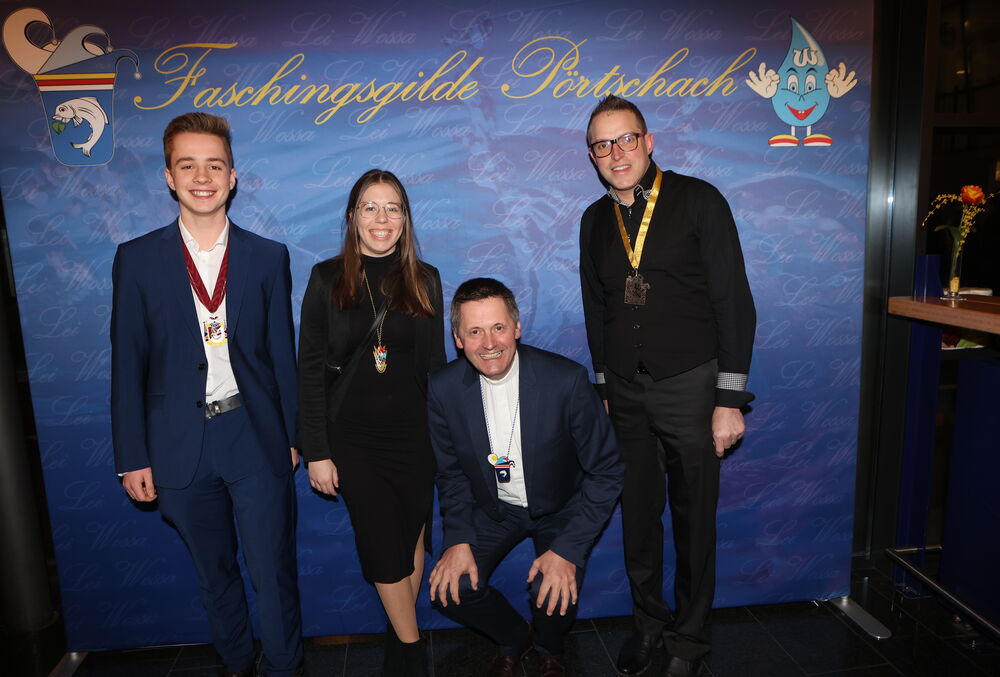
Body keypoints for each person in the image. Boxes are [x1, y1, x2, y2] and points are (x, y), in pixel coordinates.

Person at [111, 112, 302, 677]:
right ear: (169, 177)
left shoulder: (268, 257)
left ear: (232, 177)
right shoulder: (136, 259)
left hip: (255, 436)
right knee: (214, 574)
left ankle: (286, 669)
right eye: (188, 165)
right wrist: (132, 456)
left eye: (214, 165)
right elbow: (127, 365)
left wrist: (295, 436)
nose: (202, 177)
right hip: (178, 444)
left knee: (272, 572)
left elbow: (282, 357)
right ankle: (237, 665)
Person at [579, 95, 756, 677]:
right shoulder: (593, 221)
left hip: (692, 388)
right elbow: (598, 309)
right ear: (592, 156)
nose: (616, 153)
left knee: (694, 521)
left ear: (649, 141)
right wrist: (605, 388)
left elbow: (734, 303)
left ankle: (690, 640)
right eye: (602, 145)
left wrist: (728, 400)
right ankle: (649, 624)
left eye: (626, 139)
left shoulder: (700, 201)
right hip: (625, 393)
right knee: (638, 517)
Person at [427, 278, 623, 677]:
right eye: (475, 331)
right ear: (458, 339)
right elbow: (451, 474)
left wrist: (567, 549)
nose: (489, 343)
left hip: (562, 508)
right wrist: (457, 539)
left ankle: (550, 648)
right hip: (495, 509)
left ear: (516, 328)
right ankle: (516, 638)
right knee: (451, 589)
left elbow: (607, 471)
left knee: (551, 591)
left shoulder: (565, 380)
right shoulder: (443, 389)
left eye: (498, 327)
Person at [297, 169, 445, 676]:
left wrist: (446, 439)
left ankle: (398, 643)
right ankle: (412, 651)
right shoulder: (326, 278)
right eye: (370, 207)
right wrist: (316, 450)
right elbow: (309, 370)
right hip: (353, 437)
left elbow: (436, 368)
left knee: (410, 538)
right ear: (352, 217)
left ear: (405, 219)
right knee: (381, 541)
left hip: (416, 436)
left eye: (392, 208)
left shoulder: (425, 279)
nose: (382, 218)